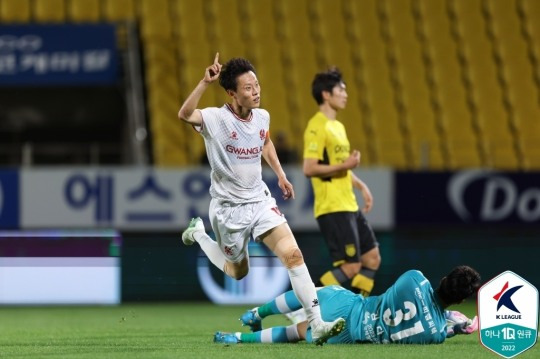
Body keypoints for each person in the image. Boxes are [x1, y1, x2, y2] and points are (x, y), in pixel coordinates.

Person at [177, 53, 345, 345]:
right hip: (228, 211)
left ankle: (316, 323)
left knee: (294, 256)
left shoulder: (263, 116)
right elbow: (184, 114)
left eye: (257, 85)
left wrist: (280, 174)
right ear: (232, 93)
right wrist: (205, 82)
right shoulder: (216, 119)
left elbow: (264, 140)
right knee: (237, 272)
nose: (256, 91)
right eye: (248, 88)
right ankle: (200, 235)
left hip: (259, 202)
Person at [214, 265, 482, 345]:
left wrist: (445, 313)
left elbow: (420, 299)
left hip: (351, 307)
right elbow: (429, 324)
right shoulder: (435, 333)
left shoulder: (415, 278)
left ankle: (256, 313)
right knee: (299, 332)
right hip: (347, 336)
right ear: (460, 300)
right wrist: (454, 327)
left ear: (444, 277)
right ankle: (238, 339)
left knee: (310, 293)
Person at [303, 67, 381, 296]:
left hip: (349, 204)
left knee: (372, 258)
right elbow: (309, 168)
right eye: (341, 90)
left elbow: (341, 165)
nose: (345, 94)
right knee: (350, 267)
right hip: (333, 206)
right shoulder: (317, 126)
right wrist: (345, 166)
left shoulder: (338, 126)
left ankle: (358, 312)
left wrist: (361, 185)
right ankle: (303, 304)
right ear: (326, 94)